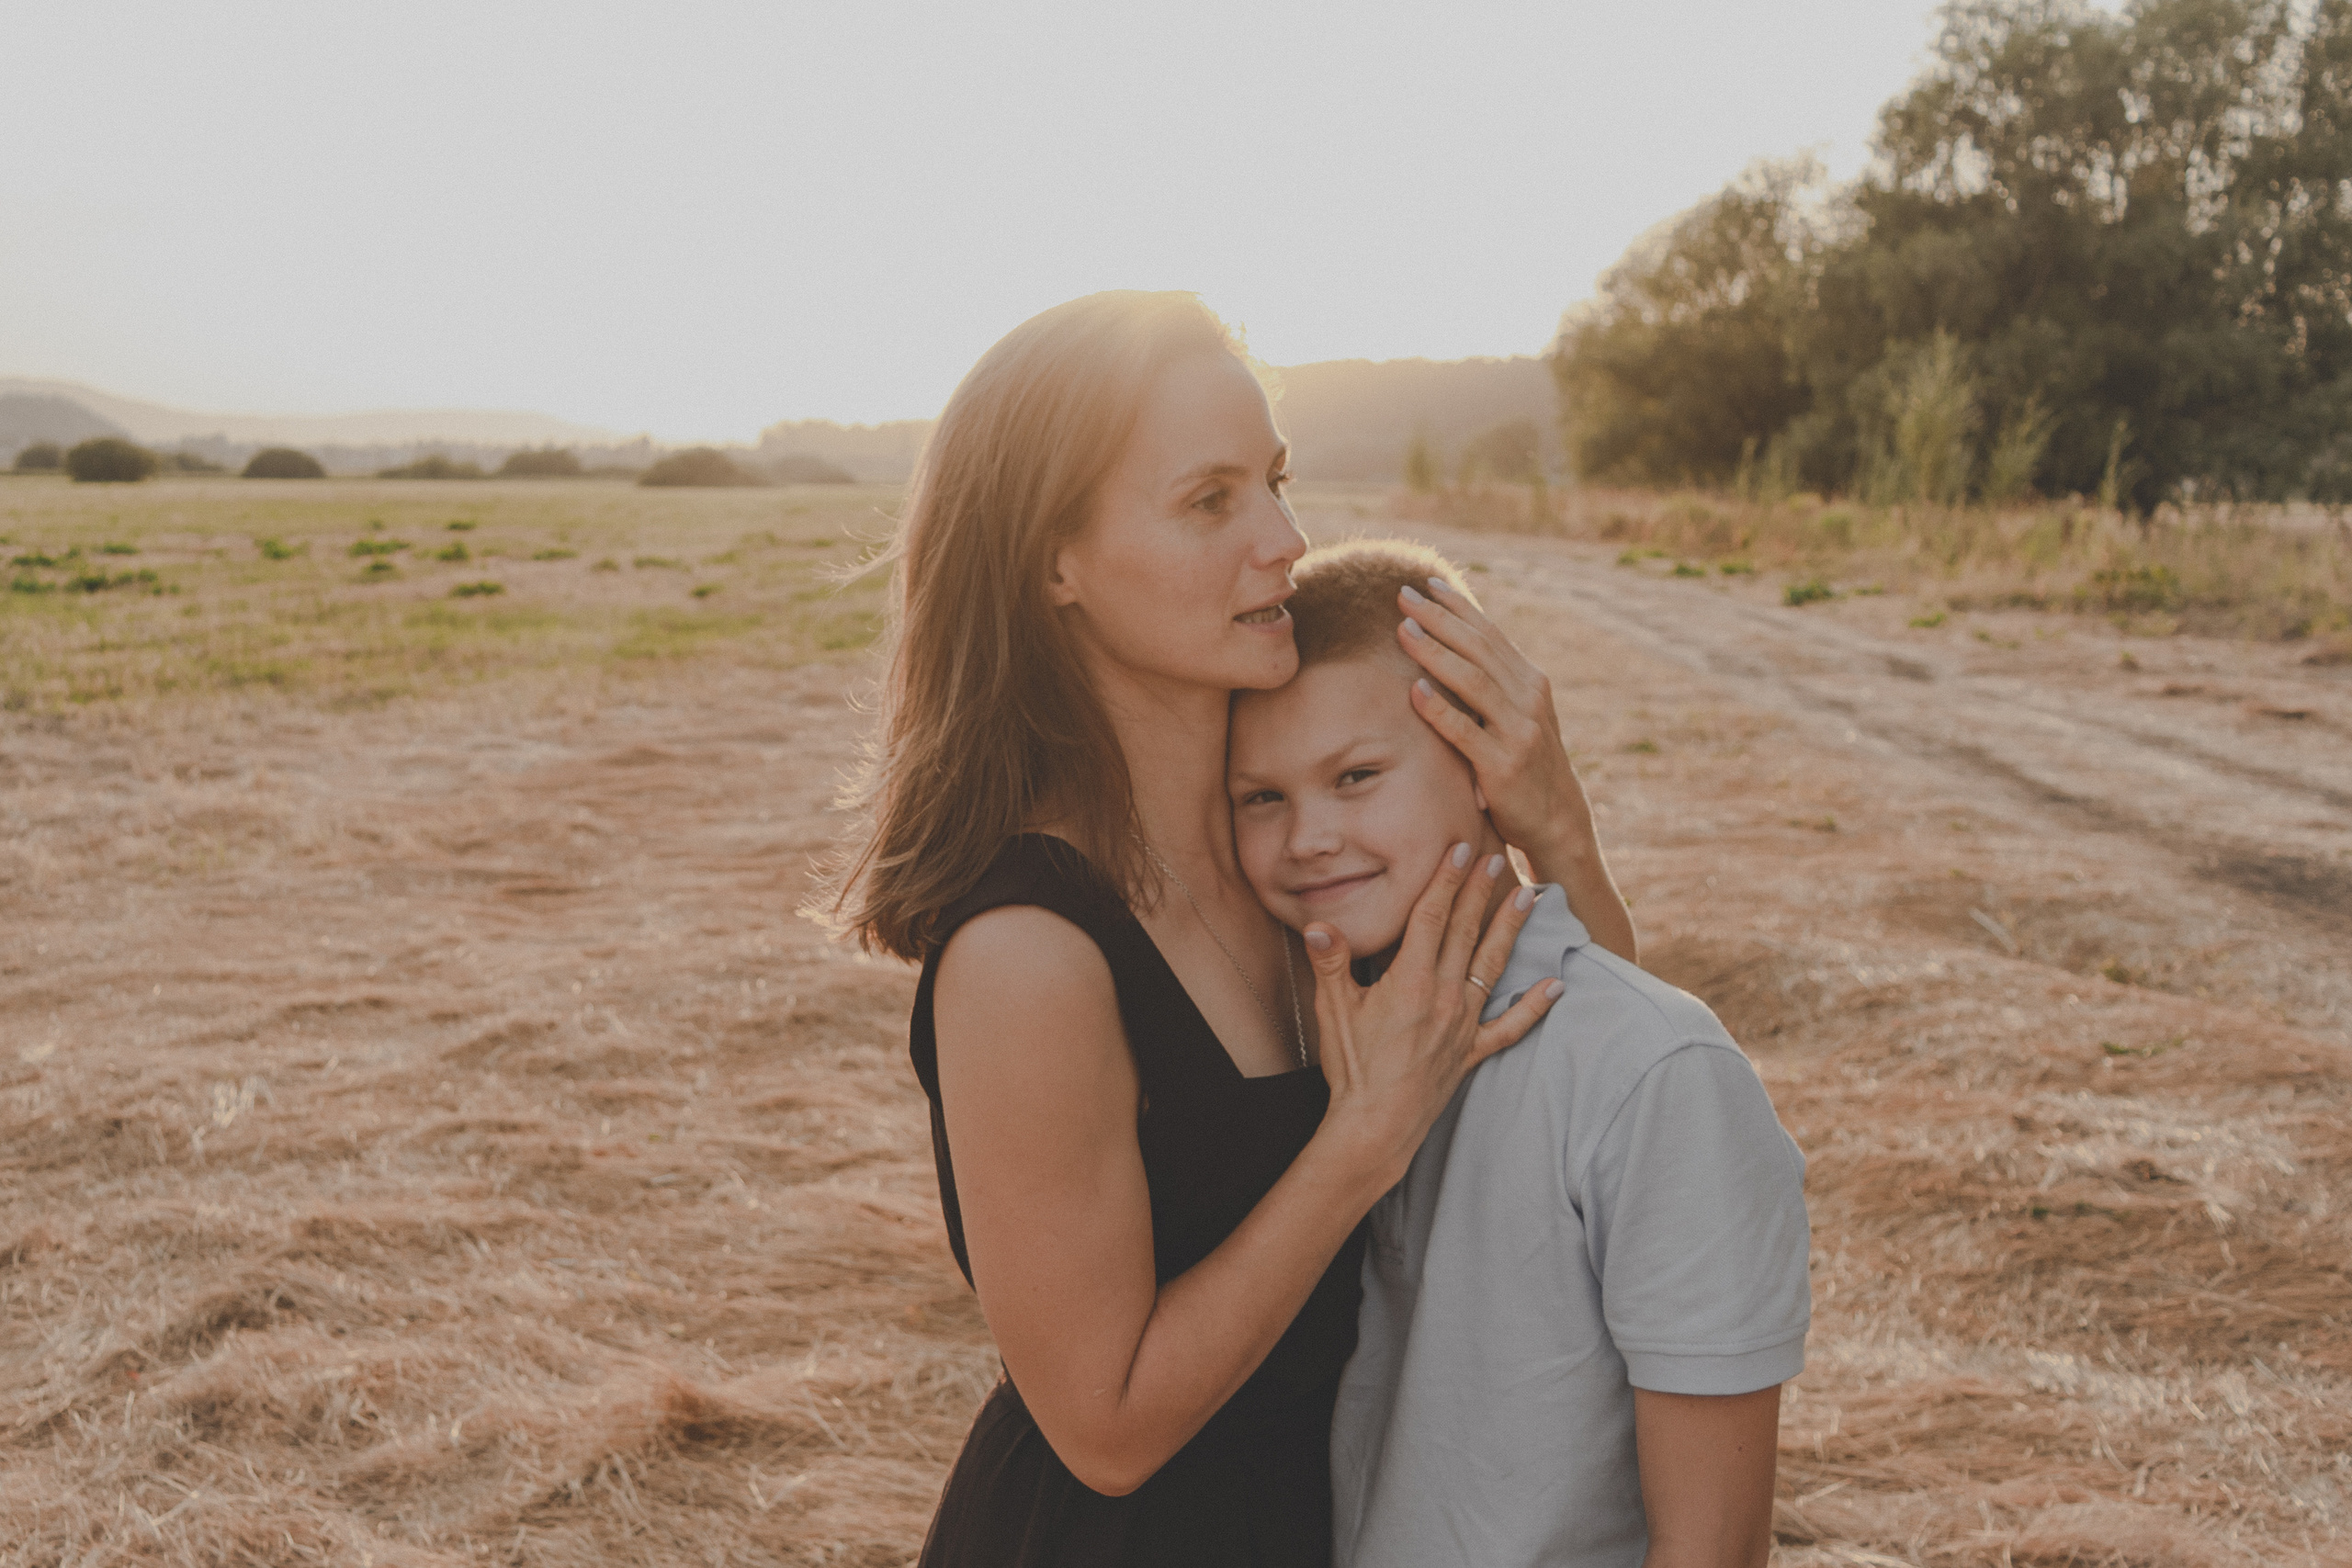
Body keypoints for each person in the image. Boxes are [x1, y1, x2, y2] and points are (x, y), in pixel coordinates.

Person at [820, 290, 1633, 1566]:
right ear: (1054, 562)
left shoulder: (1298, 846)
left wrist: (1563, 840)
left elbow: (1593, 1088)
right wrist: (1363, 1137)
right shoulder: (1031, 953)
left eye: (1276, 481)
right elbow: (1108, 1424)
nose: (1287, 540)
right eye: (1211, 501)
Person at [1225, 537, 1812, 1568]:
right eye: (1259, 797)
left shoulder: (1654, 1073)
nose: (1308, 835)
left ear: (1489, 762)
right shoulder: (1296, 1040)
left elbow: (1712, 1546)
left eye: (1356, 776)